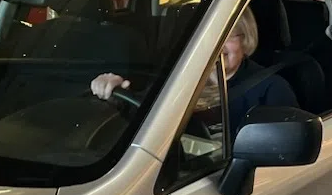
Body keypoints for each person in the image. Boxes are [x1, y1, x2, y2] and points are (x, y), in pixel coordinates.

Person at [90, 7, 296, 133]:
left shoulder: (272, 89)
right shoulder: (176, 80)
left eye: (230, 35)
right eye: (208, 36)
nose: (217, 46)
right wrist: (115, 93)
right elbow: (143, 123)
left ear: (247, 38)